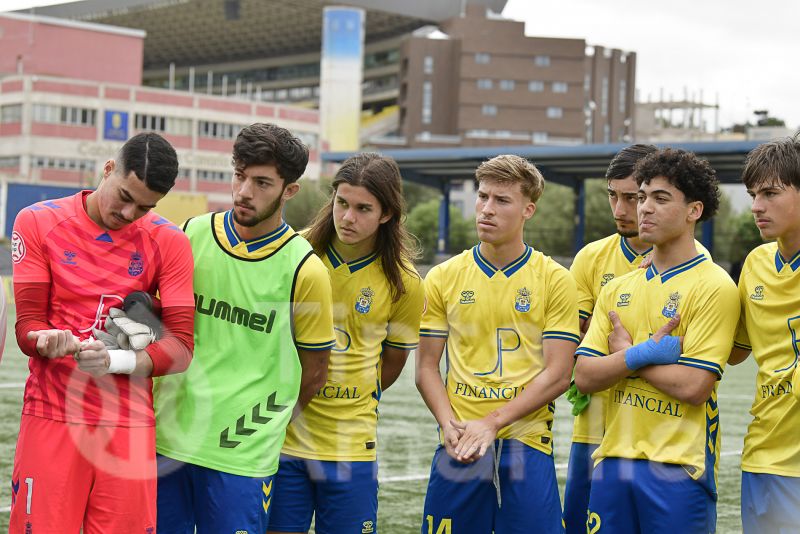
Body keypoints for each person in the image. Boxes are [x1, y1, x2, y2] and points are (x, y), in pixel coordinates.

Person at [153, 122, 334, 534]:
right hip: (167, 440)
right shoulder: (191, 234)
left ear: (290, 190)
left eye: (262, 182)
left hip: (241, 456)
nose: (244, 192)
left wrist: (263, 427)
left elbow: (316, 372)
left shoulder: (305, 269)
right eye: (239, 176)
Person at [9, 132, 195, 533]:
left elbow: (181, 348)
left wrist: (116, 360)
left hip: (128, 422)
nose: (129, 213)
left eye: (145, 207)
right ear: (108, 169)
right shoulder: (38, 221)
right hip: (52, 414)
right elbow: (27, 327)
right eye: (124, 196)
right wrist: (46, 340)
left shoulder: (170, 241)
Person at [574, 148, 739, 534]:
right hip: (611, 460)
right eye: (643, 196)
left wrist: (626, 356)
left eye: (660, 199)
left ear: (693, 211)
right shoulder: (617, 288)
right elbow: (584, 375)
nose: (644, 208)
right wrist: (648, 353)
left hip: (679, 467)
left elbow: (694, 386)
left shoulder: (714, 285)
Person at [416, 154, 580, 533]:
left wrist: (492, 424)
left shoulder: (555, 279)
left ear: (528, 209)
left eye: (501, 200)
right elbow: (426, 368)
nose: (486, 209)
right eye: (482, 196)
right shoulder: (443, 277)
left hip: (526, 442)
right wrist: (448, 425)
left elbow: (558, 374)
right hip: (459, 443)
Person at [267, 153, 425, 534]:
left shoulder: (405, 281)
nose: (348, 217)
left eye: (362, 208)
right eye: (341, 203)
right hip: (285, 434)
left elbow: (393, 363)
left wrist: (348, 392)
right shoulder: (295, 253)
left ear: (386, 214)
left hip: (350, 443)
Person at [564, 143, 656, 533]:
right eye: (612, 197)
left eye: (632, 198)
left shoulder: (695, 264)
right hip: (594, 429)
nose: (619, 210)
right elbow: (576, 345)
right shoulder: (591, 258)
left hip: (659, 435)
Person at [728, 134, 800, 533]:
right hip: (763, 453)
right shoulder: (755, 263)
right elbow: (734, 351)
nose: (756, 206)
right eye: (754, 194)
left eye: (771, 193)